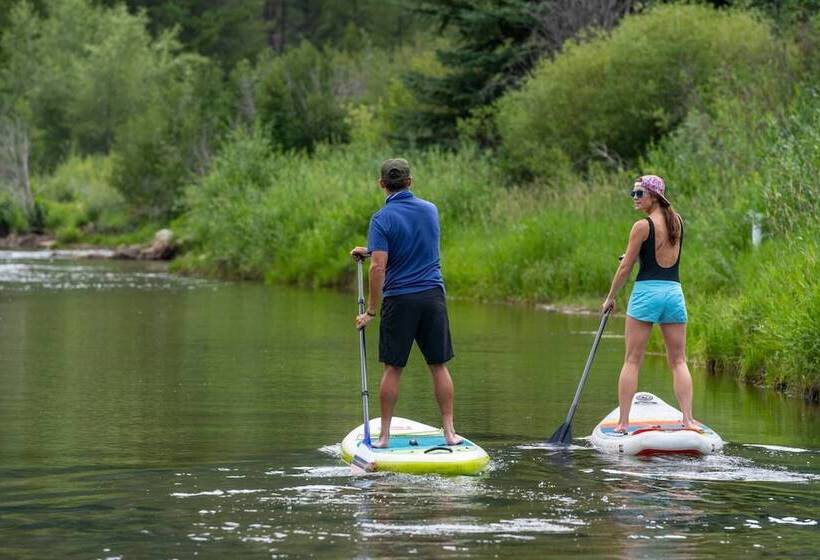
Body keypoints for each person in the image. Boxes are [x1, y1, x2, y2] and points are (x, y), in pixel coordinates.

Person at [350, 158, 462, 448]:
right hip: (432, 296)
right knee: (438, 365)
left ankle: (384, 436)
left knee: (393, 368)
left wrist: (371, 311)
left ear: (381, 184)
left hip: (400, 299)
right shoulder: (430, 210)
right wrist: (371, 250)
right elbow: (411, 242)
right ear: (410, 182)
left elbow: (378, 268)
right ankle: (449, 432)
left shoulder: (381, 219)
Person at [602, 174, 698, 433]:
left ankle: (623, 423)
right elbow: (660, 253)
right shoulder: (677, 221)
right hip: (674, 294)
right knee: (679, 361)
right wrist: (636, 255)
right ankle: (688, 419)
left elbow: (625, 268)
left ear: (654, 196)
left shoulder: (641, 226)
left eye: (639, 194)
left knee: (632, 360)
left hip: (646, 294)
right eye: (633, 194)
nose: (634, 198)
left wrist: (610, 297)